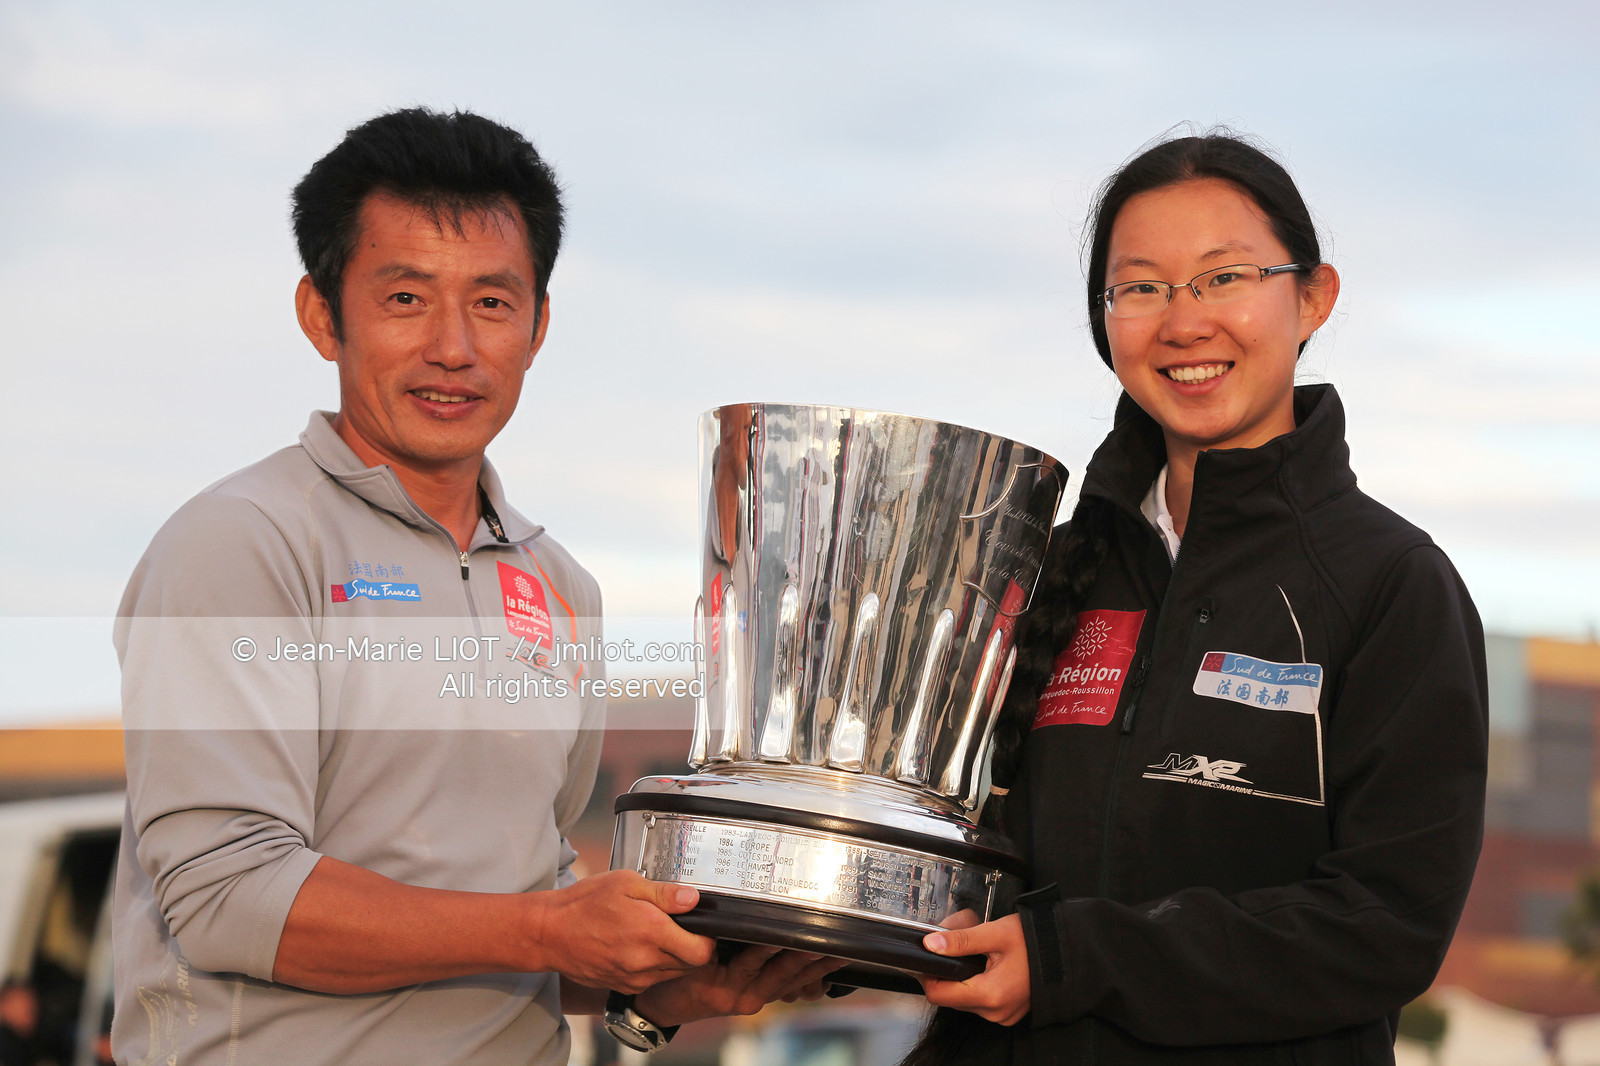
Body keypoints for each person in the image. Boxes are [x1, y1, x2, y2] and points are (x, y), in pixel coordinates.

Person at [112, 107, 835, 1066]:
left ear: (537, 327)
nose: (453, 347)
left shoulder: (561, 586)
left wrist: (661, 984)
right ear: (322, 315)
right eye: (406, 298)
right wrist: (545, 930)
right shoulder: (244, 541)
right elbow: (225, 896)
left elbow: (519, 921)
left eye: (492, 303)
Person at [909, 132, 1488, 1064]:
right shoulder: (1049, 570)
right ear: (1105, 323)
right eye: (1141, 288)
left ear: (1313, 298)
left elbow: (1387, 924)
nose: (1184, 323)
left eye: (1225, 278)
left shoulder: (1393, 584)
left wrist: (1076, 960)